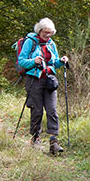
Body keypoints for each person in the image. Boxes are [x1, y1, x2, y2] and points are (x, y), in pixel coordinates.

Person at [17, 17, 69, 154]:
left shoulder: (51, 44)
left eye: (50, 33)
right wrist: (33, 61)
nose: (48, 35)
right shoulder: (30, 42)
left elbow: (54, 63)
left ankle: (54, 142)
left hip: (49, 80)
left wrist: (61, 61)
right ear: (39, 31)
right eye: (46, 32)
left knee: (52, 110)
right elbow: (21, 61)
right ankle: (36, 139)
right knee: (37, 110)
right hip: (34, 79)